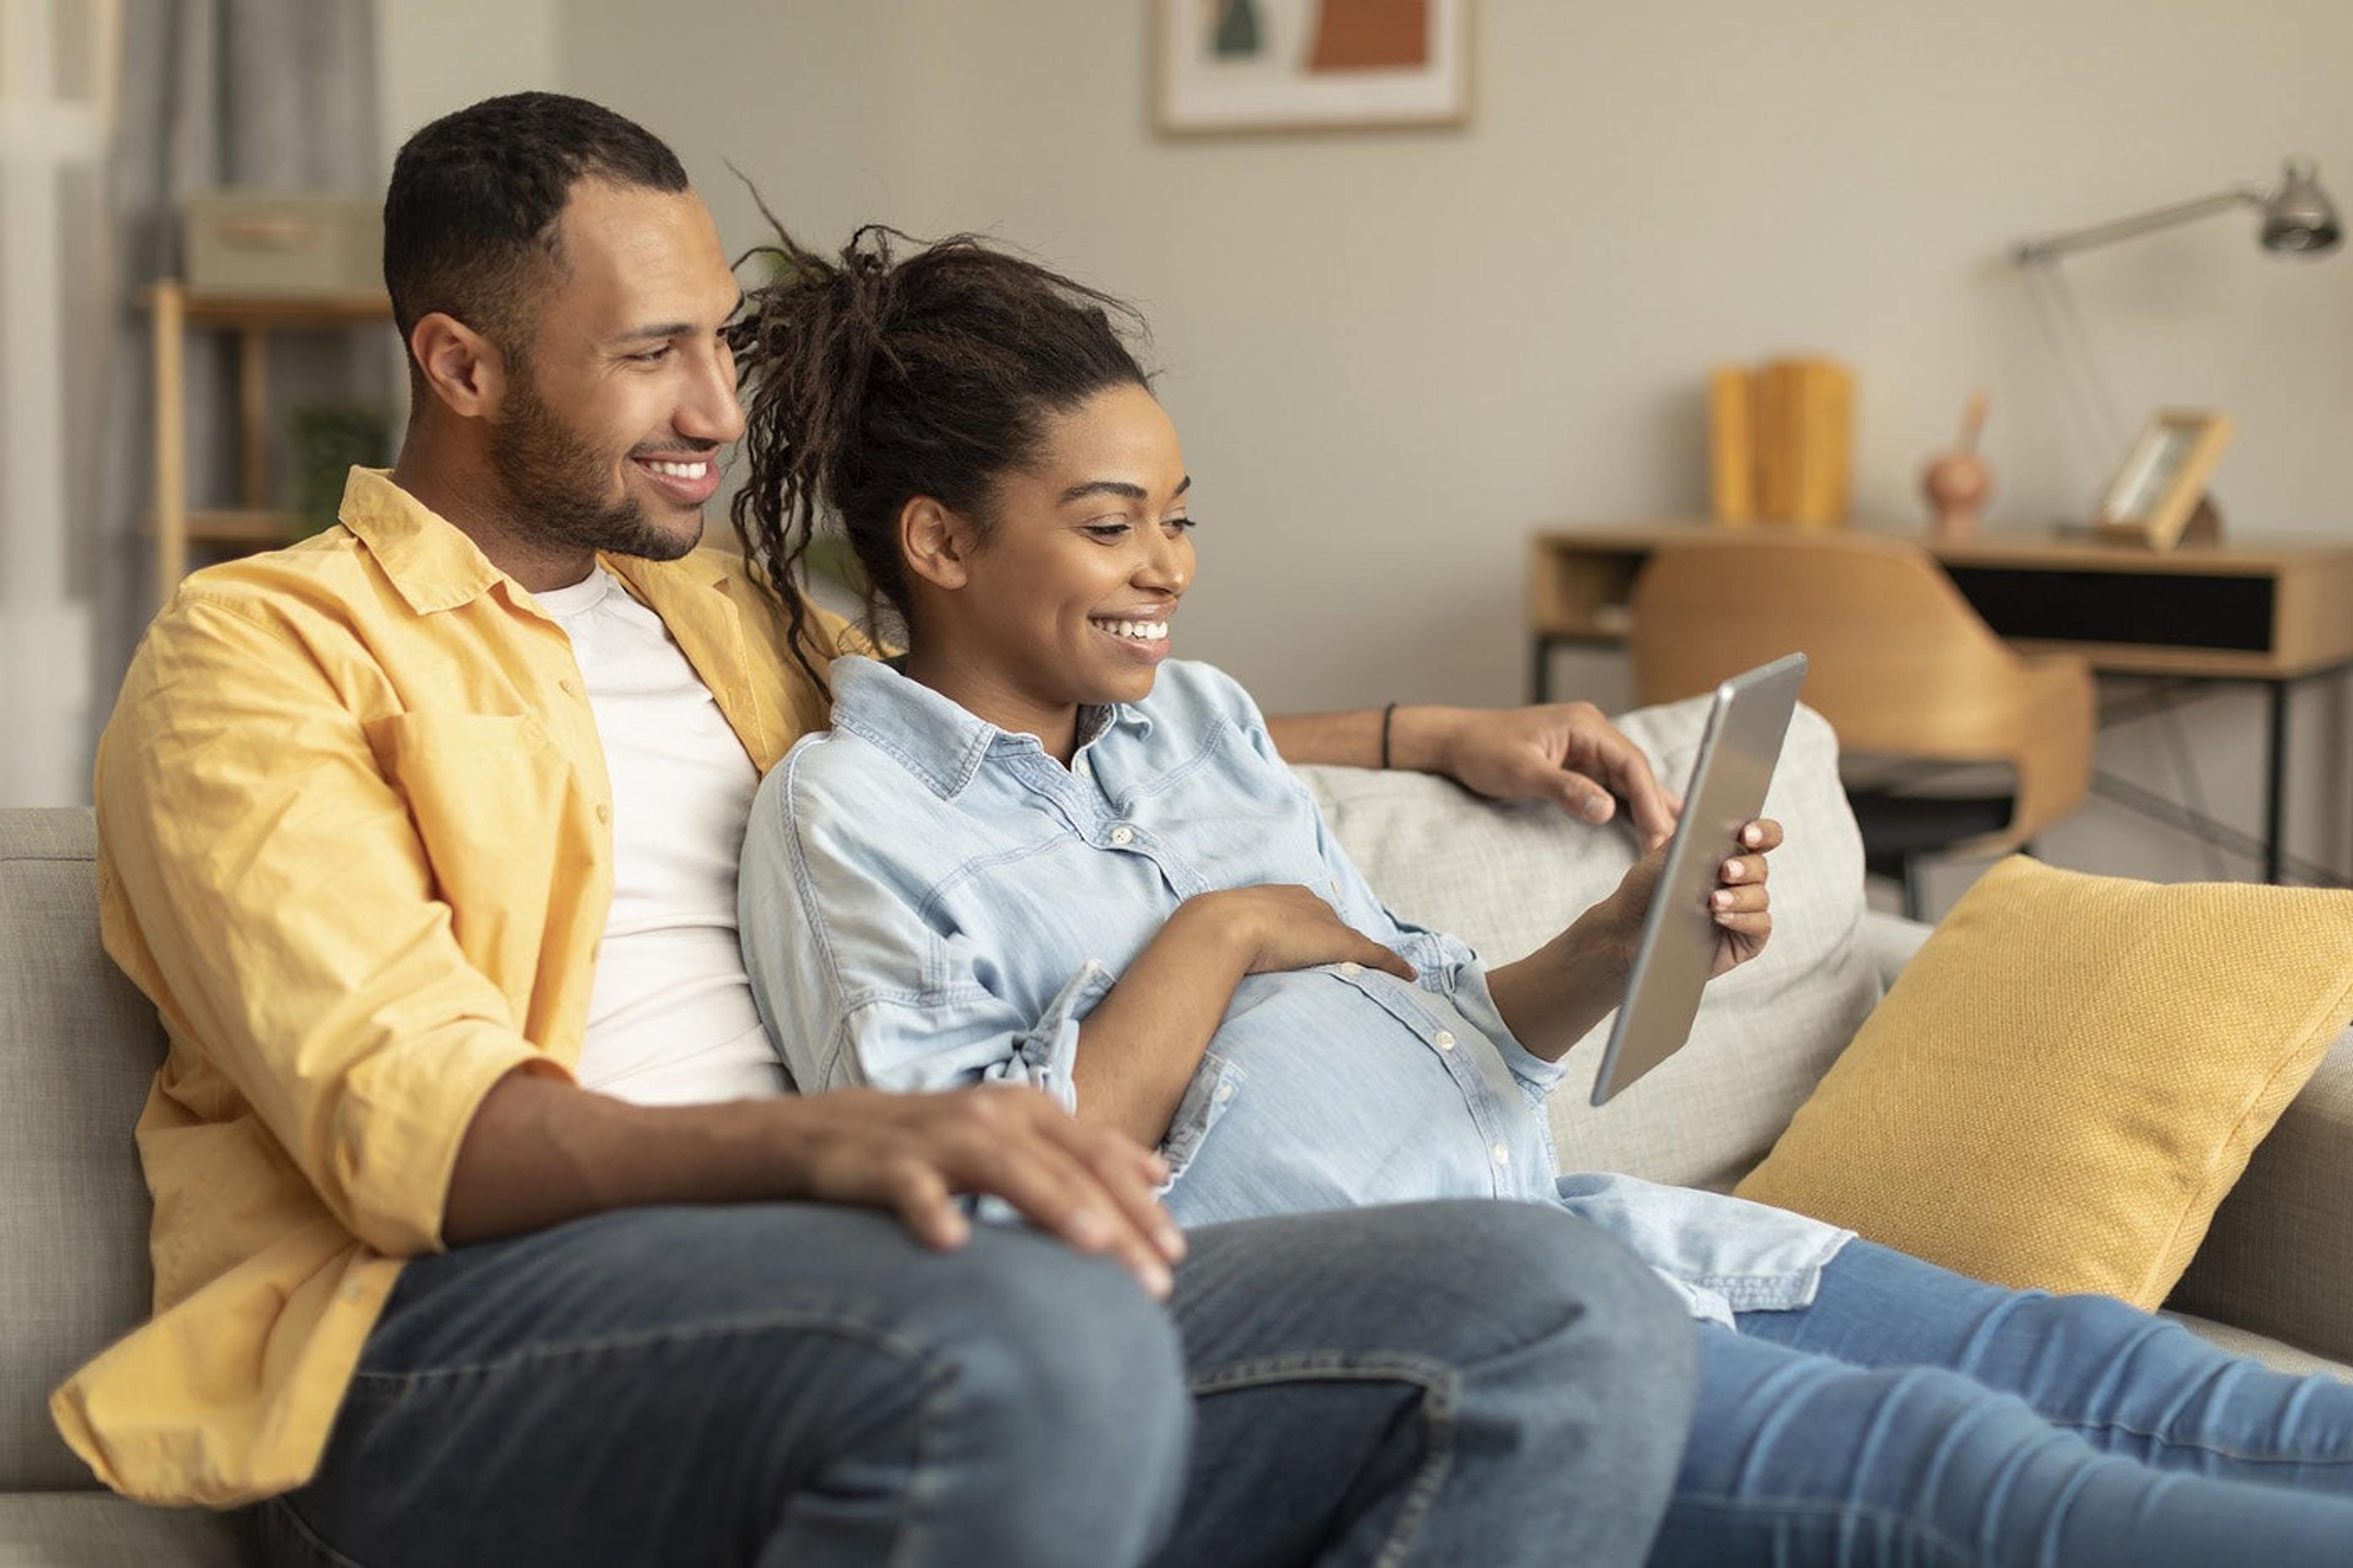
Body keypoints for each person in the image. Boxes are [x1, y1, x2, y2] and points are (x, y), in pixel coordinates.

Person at [61, 91, 1707, 1567]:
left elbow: (995, 729)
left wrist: (1423, 736)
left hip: (865, 1282)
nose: (719, 404)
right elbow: (419, 1136)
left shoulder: (731, 619)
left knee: (1556, 1312)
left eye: (720, 339)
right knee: (1032, 1332)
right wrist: (852, 1141)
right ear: (462, 366)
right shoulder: (259, 653)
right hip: (451, 1339)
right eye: (653, 353)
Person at [730, 222, 2353, 1567]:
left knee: (2089, 1363)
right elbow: (982, 1206)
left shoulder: (1196, 733)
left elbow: (1437, 1023)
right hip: (1378, 1329)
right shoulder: (852, 820)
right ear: (938, 542)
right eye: (1111, 526)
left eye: (1178, 518)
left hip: (1568, 1222)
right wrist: (1218, 938)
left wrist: (1611, 948)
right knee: (1978, 1477)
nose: (1170, 565)